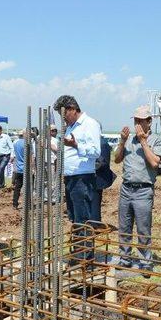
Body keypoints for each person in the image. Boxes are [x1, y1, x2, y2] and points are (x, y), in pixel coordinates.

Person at [114, 105, 161, 272]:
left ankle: (146, 262)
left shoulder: (156, 140)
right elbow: (117, 159)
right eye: (135, 120)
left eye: (140, 121)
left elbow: (155, 162)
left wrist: (143, 141)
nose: (137, 124)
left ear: (149, 121)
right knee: (124, 226)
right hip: (127, 189)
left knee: (143, 227)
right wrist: (122, 141)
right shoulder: (128, 140)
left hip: (143, 190)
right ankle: (125, 258)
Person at [53, 95, 101, 262]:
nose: (63, 118)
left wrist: (75, 145)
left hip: (83, 179)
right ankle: (78, 253)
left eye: (64, 114)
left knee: (83, 219)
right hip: (71, 178)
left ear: (73, 109)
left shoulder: (90, 124)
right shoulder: (70, 127)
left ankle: (85, 258)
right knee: (74, 218)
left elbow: (96, 151)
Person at [92, 129, 115, 222]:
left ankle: (94, 224)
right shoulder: (97, 141)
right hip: (94, 178)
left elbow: (101, 163)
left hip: (97, 179)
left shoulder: (102, 143)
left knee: (94, 203)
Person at [11, 130, 27, 209]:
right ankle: (27, 204)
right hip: (26, 168)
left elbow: (15, 156)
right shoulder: (27, 144)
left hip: (18, 168)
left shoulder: (16, 143)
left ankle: (15, 203)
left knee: (17, 187)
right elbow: (30, 157)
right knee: (28, 187)